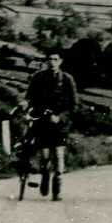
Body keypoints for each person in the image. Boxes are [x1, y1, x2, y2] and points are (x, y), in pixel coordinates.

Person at [26, 51, 78, 200]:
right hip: (42, 122)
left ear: (60, 61)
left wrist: (60, 117)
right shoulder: (39, 77)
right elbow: (30, 98)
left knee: (58, 154)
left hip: (60, 125)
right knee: (45, 156)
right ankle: (45, 176)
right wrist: (30, 111)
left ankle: (57, 189)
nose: (52, 62)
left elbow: (74, 105)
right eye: (49, 59)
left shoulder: (67, 79)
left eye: (55, 59)